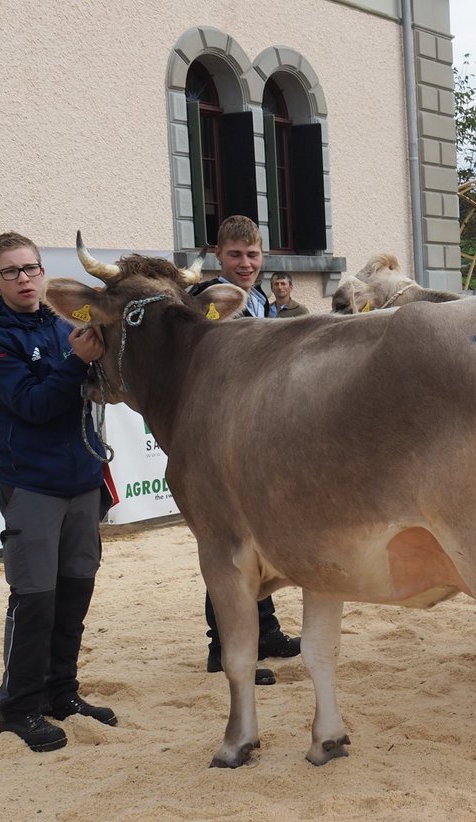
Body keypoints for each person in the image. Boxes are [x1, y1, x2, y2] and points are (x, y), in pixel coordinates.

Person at [0, 231, 116, 751]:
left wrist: (95, 362)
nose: (25, 279)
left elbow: (94, 386)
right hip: (31, 482)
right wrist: (76, 362)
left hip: (81, 477)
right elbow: (31, 405)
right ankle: (18, 707)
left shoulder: (63, 323)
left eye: (31, 268)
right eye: (11, 272)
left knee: (75, 590)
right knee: (34, 597)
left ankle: (61, 692)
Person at [191, 215, 300, 680]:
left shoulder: (262, 300)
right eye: (235, 255)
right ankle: (224, 645)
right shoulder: (205, 302)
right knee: (226, 543)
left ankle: (266, 629)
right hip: (220, 432)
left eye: (253, 255)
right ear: (219, 255)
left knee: (259, 537)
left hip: (257, 430)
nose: (246, 263)